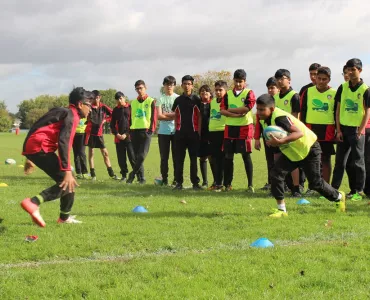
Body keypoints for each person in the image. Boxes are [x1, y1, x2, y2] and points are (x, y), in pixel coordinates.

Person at [256, 94, 345, 218]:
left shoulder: (280, 118)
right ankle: (282, 210)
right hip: (293, 152)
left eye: (261, 109)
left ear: (271, 109)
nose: (258, 112)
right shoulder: (264, 118)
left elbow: (298, 133)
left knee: (315, 184)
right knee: (276, 174)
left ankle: (339, 197)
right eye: (257, 109)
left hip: (309, 149)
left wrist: (281, 141)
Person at [20, 87, 93, 226]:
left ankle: (64, 218)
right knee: (66, 181)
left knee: (69, 181)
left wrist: (28, 155)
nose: (90, 109)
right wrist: (66, 170)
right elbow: (64, 142)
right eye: (89, 105)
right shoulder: (72, 116)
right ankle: (33, 202)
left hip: (34, 147)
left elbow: (36, 127)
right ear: (80, 104)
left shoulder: (61, 111)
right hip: (40, 147)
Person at [331, 58, 370, 201]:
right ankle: (332, 190)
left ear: (360, 70)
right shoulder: (342, 87)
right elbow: (338, 110)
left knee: (358, 162)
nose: (350, 72)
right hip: (344, 129)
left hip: (357, 130)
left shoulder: (366, 89)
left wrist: (360, 131)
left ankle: (358, 191)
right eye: (348, 69)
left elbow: (367, 112)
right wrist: (339, 130)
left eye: (353, 69)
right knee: (340, 162)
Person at [220, 69, 255, 192]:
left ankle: (250, 185)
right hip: (230, 127)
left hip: (244, 127)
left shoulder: (249, 93)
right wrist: (234, 114)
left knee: (246, 156)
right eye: (236, 81)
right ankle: (227, 184)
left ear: (245, 81)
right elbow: (222, 110)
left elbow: (247, 108)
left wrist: (230, 111)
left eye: (241, 81)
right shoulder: (228, 94)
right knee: (228, 156)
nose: (238, 84)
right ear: (233, 80)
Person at [300, 67, 336, 183]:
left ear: (329, 79)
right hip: (310, 128)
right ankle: (313, 186)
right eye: (319, 78)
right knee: (311, 158)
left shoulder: (334, 93)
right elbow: (303, 111)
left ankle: (326, 186)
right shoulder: (308, 91)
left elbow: (337, 113)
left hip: (327, 129)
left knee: (325, 159)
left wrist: (337, 130)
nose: (321, 81)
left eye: (324, 79)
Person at [274, 69, 302, 197]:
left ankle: (296, 188)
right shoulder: (274, 97)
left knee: (292, 160)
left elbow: (295, 118)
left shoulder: (294, 96)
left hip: (290, 133)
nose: (279, 81)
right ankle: (281, 187)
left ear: (289, 80)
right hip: (276, 133)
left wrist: (288, 132)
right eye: (277, 79)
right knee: (277, 160)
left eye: (282, 78)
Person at [172, 75, 202, 190]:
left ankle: (195, 183)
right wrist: (176, 129)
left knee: (193, 159)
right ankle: (179, 183)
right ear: (181, 85)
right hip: (180, 134)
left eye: (189, 84)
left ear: (192, 86)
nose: (187, 86)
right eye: (185, 83)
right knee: (179, 159)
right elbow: (176, 115)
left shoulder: (197, 99)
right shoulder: (178, 100)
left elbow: (199, 116)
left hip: (193, 134)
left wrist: (198, 131)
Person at [126, 80, 156, 184]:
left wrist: (151, 130)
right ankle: (142, 178)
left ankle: (132, 174)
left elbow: (154, 117)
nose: (139, 90)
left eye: (141, 88)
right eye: (137, 89)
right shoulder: (133, 103)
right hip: (134, 131)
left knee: (142, 155)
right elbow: (130, 118)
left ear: (145, 87)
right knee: (137, 156)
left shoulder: (151, 101)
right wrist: (130, 130)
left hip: (146, 131)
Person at [85, 90, 118, 180]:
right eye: (95, 97)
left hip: (99, 134)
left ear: (100, 97)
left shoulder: (103, 107)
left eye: (98, 97)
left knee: (105, 153)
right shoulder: (89, 106)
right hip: (90, 133)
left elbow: (113, 114)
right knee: (91, 153)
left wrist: (105, 120)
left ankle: (111, 174)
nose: (97, 99)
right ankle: (93, 175)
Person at [254, 77, 280, 191]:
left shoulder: (278, 102)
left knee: (281, 161)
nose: (270, 90)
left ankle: (286, 184)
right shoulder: (263, 102)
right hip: (267, 136)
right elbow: (258, 122)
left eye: (272, 88)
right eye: (268, 88)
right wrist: (257, 139)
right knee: (270, 160)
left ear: (278, 88)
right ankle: (271, 182)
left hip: (280, 136)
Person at [156, 76, 179, 186]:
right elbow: (159, 116)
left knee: (176, 157)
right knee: (164, 158)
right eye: (167, 84)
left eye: (171, 84)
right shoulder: (160, 99)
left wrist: (166, 115)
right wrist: (172, 116)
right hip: (163, 132)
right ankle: (164, 179)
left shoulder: (178, 98)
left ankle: (176, 179)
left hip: (176, 132)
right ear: (164, 86)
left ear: (174, 86)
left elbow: (179, 115)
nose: (169, 86)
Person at [110, 91, 136, 182]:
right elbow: (112, 124)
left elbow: (133, 123)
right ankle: (124, 175)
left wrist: (126, 134)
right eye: (117, 99)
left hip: (129, 137)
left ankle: (137, 176)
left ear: (124, 98)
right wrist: (117, 134)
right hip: (118, 138)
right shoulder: (115, 110)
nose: (119, 100)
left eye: (121, 98)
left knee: (132, 157)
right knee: (121, 158)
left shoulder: (130, 108)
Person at [208, 80, 227, 191]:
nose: (218, 92)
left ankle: (226, 183)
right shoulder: (213, 102)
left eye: (220, 90)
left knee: (224, 158)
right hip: (213, 132)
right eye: (216, 90)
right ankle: (217, 182)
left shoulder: (227, 101)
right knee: (215, 159)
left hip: (223, 132)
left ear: (225, 90)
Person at [198, 85, 212, 187]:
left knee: (212, 157)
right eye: (202, 92)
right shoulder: (198, 104)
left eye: (206, 92)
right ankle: (205, 181)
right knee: (203, 157)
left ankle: (217, 181)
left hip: (212, 133)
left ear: (210, 93)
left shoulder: (214, 103)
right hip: (201, 133)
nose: (204, 94)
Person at [73, 115, 88, 179]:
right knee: (76, 154)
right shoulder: (74, 114)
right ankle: (78, 172)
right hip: (74, 134)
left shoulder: (86, 113)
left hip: (82, 134)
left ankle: (84, 172)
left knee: (81, 153)